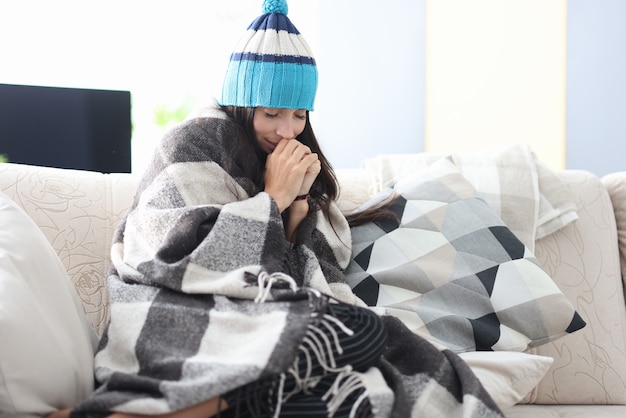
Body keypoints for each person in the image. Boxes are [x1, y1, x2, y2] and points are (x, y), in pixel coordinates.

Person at [49, 1, 504, 417]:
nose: (288, 131)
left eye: (300, 115)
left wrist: (294, 216)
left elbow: (293, 268)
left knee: (368, 341)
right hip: (176, 308)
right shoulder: (191, 143)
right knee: (346, 335)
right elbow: (171, 250)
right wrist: (271, 197)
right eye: (271, 113)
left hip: (258, 311)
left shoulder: (290, 157)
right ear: (242, 103)